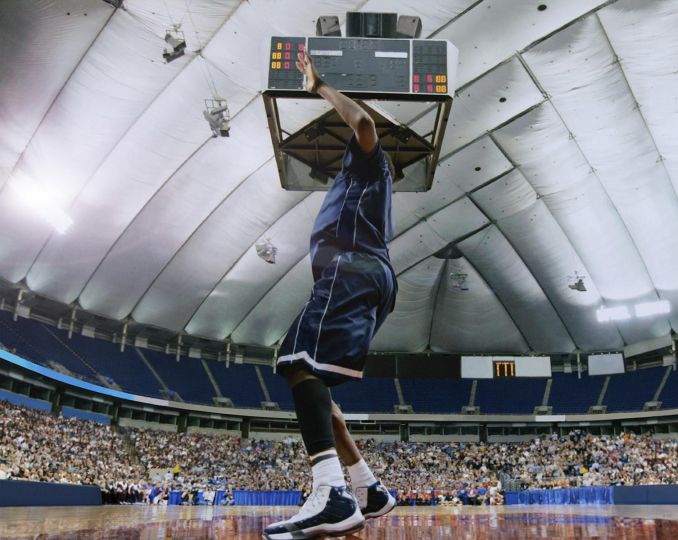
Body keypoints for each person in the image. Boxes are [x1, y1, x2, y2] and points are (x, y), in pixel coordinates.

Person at [263, 48, 398, 540]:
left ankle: (332, 494)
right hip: (365, 275)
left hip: (355, 269)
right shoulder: (360, 189)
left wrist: (319, 86)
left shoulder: (366, 168)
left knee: (295, 362)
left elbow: (363, 124)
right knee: (317, 385)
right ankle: (368, 488)